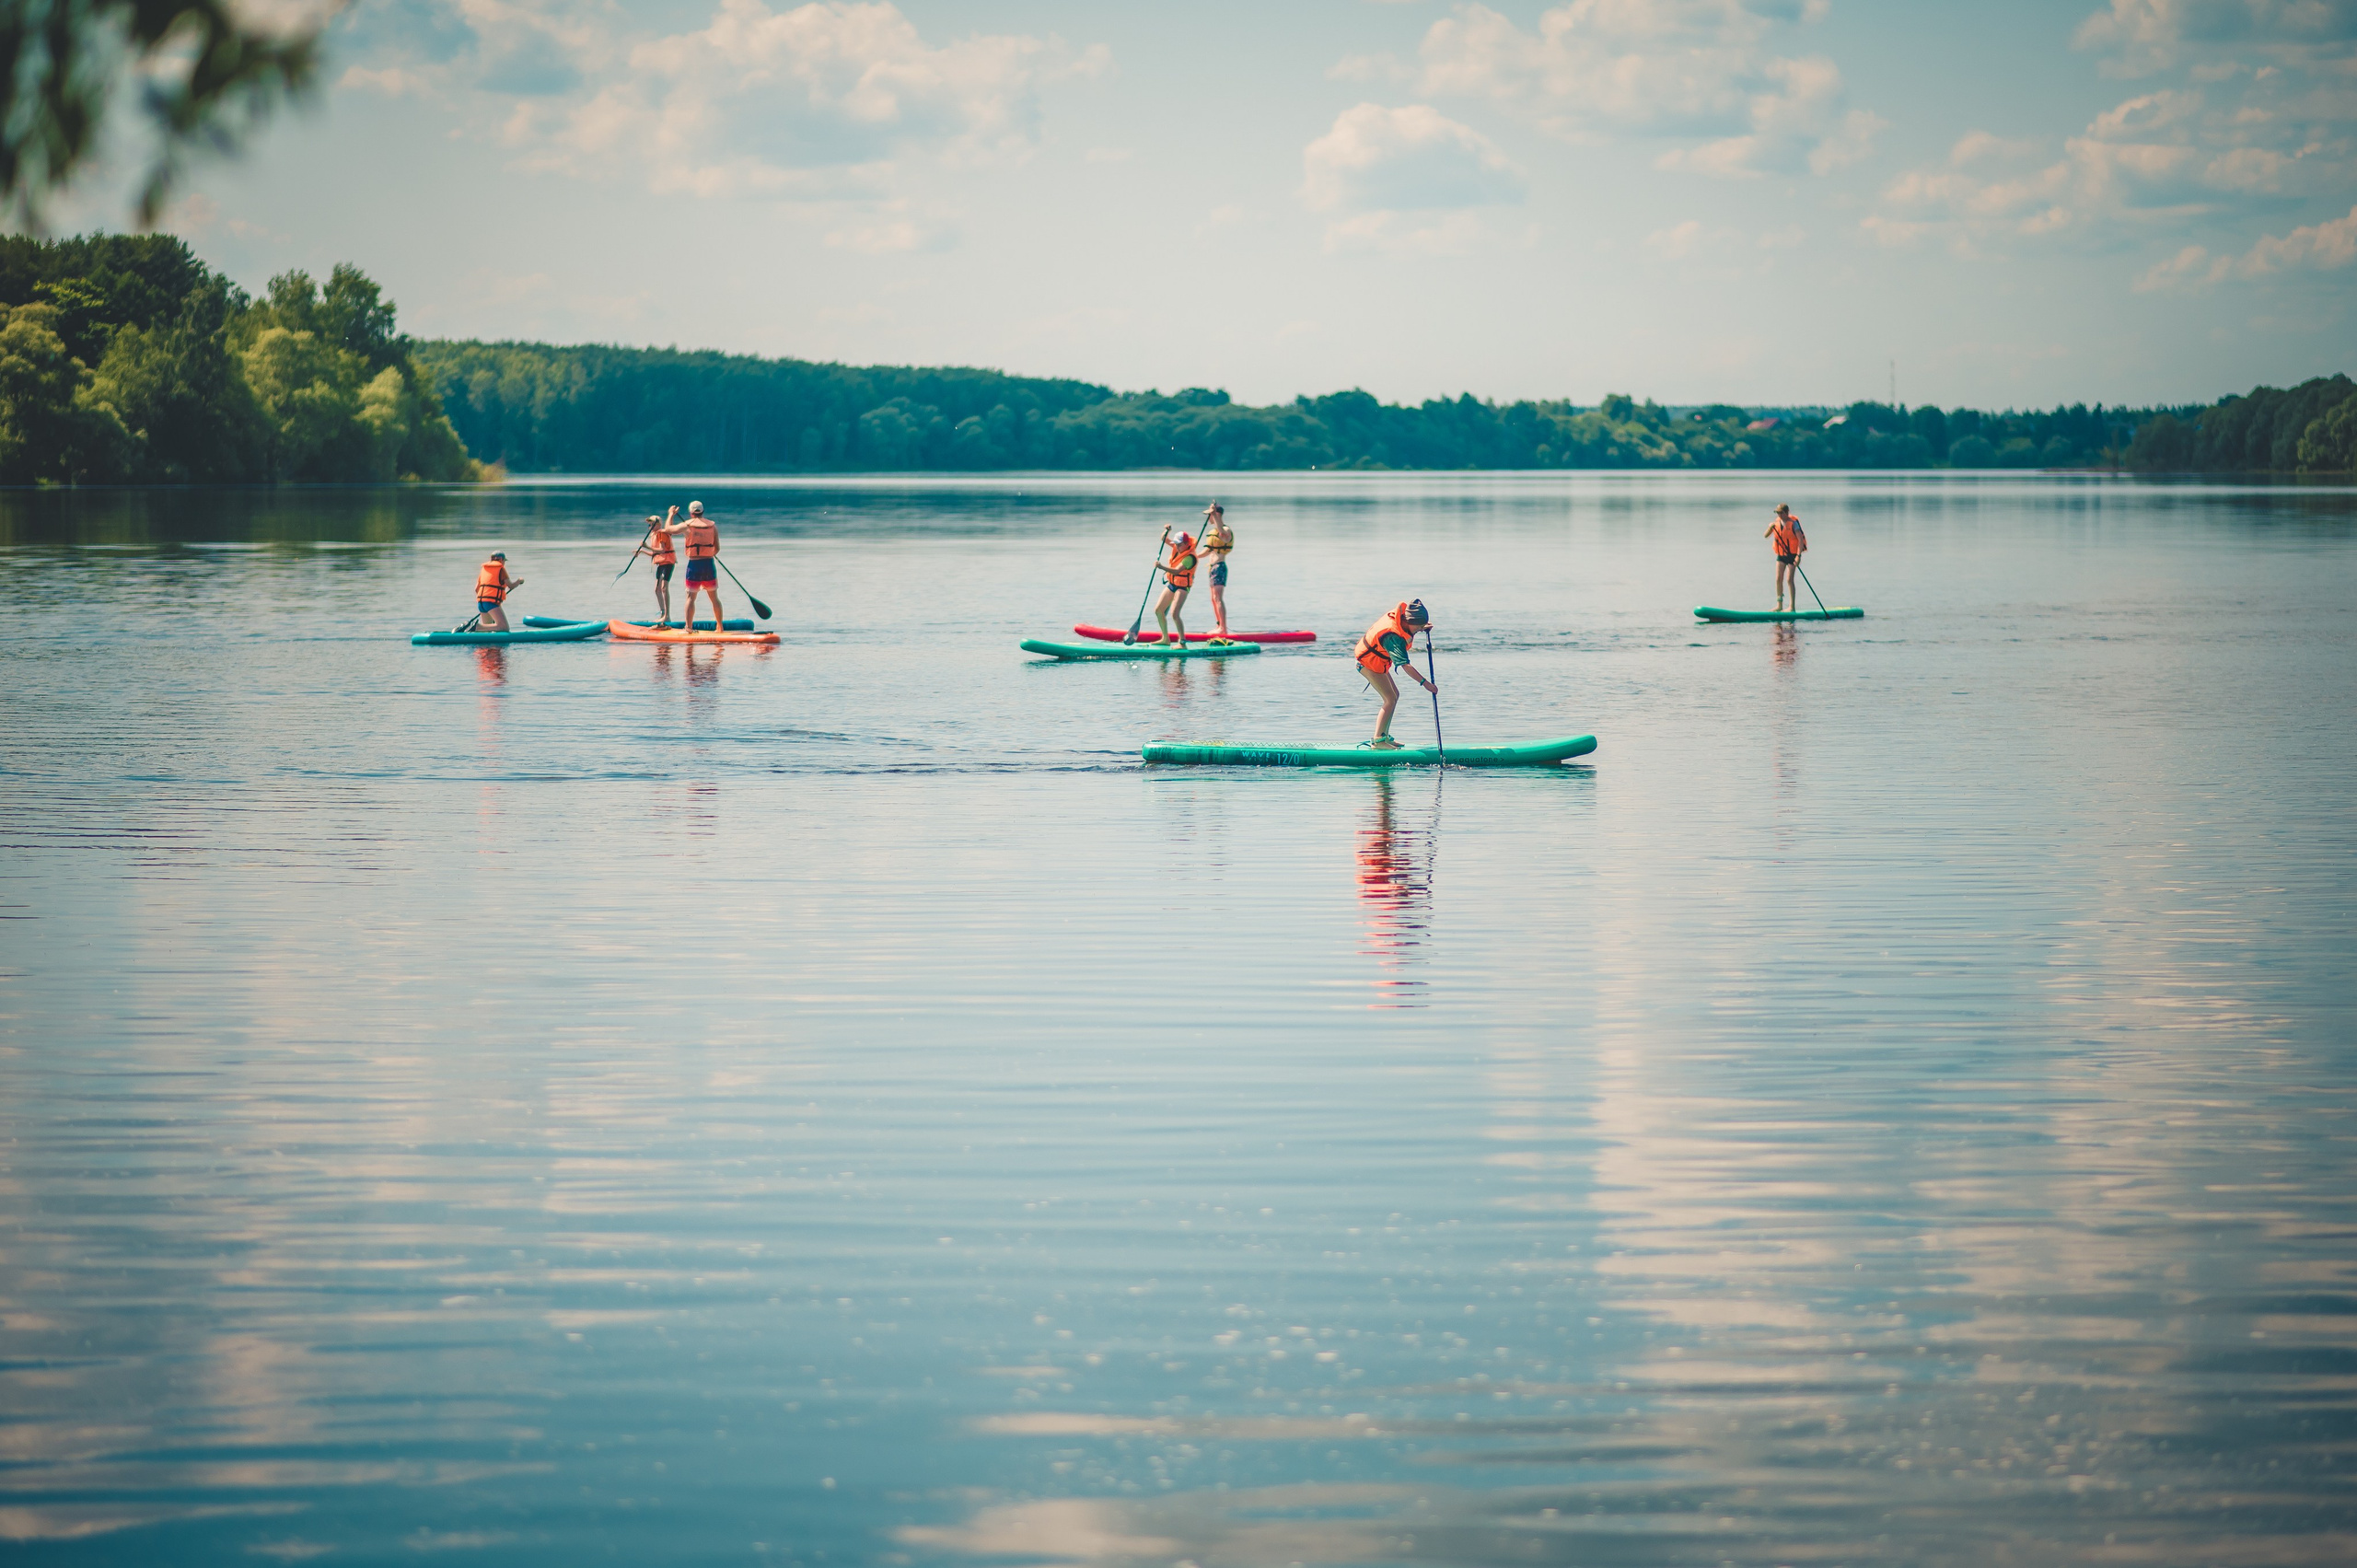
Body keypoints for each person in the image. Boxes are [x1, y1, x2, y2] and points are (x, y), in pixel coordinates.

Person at [1352, 598, 1437, 749]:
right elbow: (1405, 665)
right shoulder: (1393, 638)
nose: (1418, 630)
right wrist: (1426, 684)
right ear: (1409, 620)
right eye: (1417, 628)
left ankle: (1383, 736)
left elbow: (1411, 626)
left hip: (1376, 662)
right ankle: (1378, 741)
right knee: (1390, 698)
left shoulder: (1404, 620)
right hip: (1368, 664)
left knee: (1394, 695)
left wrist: (1422, 627)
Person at [678, 500, 725, 630]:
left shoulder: (686, 526)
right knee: (714, 598)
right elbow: (717, 549)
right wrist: (708, 553)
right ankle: (720, 627)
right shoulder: (712, 527)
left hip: (694, 565)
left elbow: (669, 529)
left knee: (691, 598)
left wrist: (671, 514)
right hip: (709, 564)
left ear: (691, 513)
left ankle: (688, 627)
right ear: (702, 511)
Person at [1153, 528, 1198, 645]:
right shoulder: (1176, 547)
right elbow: (1163, 538)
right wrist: (1167, 530)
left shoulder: (1190, 557)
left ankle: (1182, 642)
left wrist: (1161, 567)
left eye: (1180, 545)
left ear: (1187, 544)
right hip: (1173, 584)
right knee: (1158, 610)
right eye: (1176, 544)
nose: (1177, 547)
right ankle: (1165, 639)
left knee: (1174, 613)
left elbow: (1177, 571)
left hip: (1183, 588)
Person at [634, 508, 679, 625]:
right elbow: (656, 553)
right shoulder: (654, 535)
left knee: (664, 588)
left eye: (651, 524)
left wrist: (647, 546)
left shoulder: (661, 533)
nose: (649, 526)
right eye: (649, 524)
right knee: (657, 589)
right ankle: (662, 613)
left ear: (657, 524)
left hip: (668, 562)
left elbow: (663, 550)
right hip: (661, 563)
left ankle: (667, 616)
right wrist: (642, 552)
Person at [1765, 503, 1806, 611]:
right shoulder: (1776, 523)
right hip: (1781, 555)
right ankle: (1779, 605)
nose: (1779, 515)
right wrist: (1770, 528)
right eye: (1777, 513)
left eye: (1781, 513)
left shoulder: (1793, 524)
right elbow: (1765, 536)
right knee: (1778, 579)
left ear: (1787, 512)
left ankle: (1792, 607)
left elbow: (1800, 540)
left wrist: (1798, 556)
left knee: (1789, 579)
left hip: (1792, 555)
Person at [473, 552, 521, 632]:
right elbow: (511, 586)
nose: (504, 563)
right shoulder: (501, 569)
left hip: (481, 602)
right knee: (504, 628)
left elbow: (476, 589)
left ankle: (478, 632)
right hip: (490, 603)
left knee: (486, 631)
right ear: (501, 559)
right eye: (504, 561)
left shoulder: (484, 569)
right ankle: (476, 627)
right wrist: (519, 581)